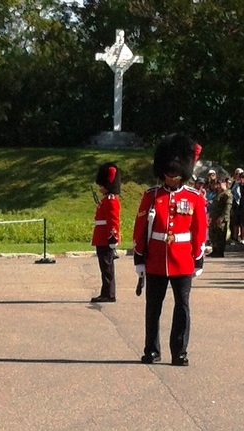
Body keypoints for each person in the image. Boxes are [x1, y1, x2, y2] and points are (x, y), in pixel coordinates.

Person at [133, 134, 207, 366]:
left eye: (176, 175)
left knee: (182, 307)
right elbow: (141, 227)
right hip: (155, 259)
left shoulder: (194, 198)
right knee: (153, 308)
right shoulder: (152, 196)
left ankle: (179, 351)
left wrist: (198, 258)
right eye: (168, 174)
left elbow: (199, 230)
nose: (172, 178)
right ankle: (152, 350)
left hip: (183, 259)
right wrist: (139, 257)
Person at [91, 162, 122, 302]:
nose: (100, 188)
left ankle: (109, 294)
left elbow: (113, 220)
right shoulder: (106, 200)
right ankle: (106, 292)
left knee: (107, 268)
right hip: (102, 237)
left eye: (102, 185)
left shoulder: (111, 200)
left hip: (106, 238)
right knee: (105, 268)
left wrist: (113, 237)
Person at [208, 178, 232, 257]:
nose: (218, 186)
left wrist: (222, 217)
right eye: (217, 184)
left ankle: (220, 252)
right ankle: (215, 250)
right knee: (213, 234)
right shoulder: (219, 193)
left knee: (220, 235)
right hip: (215, 217)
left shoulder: (227, 194)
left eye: (220, 184)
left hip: (221, 218)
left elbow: (227, 207)